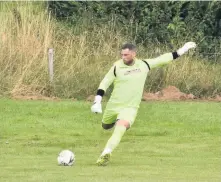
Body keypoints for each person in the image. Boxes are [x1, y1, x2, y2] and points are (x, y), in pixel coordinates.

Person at [91, 42, 196, 166]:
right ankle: (114, 123)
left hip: (130, 107)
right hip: (114, 105)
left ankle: (106, 153)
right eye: (122, 54)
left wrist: (182, 50)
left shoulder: (144, 64)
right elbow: (105, 82)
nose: (123, 57)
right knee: (106, 126)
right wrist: (97, 100)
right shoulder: (116, 66)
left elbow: (162, 60)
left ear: (134, 54)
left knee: (121, 127)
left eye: (126, 55)